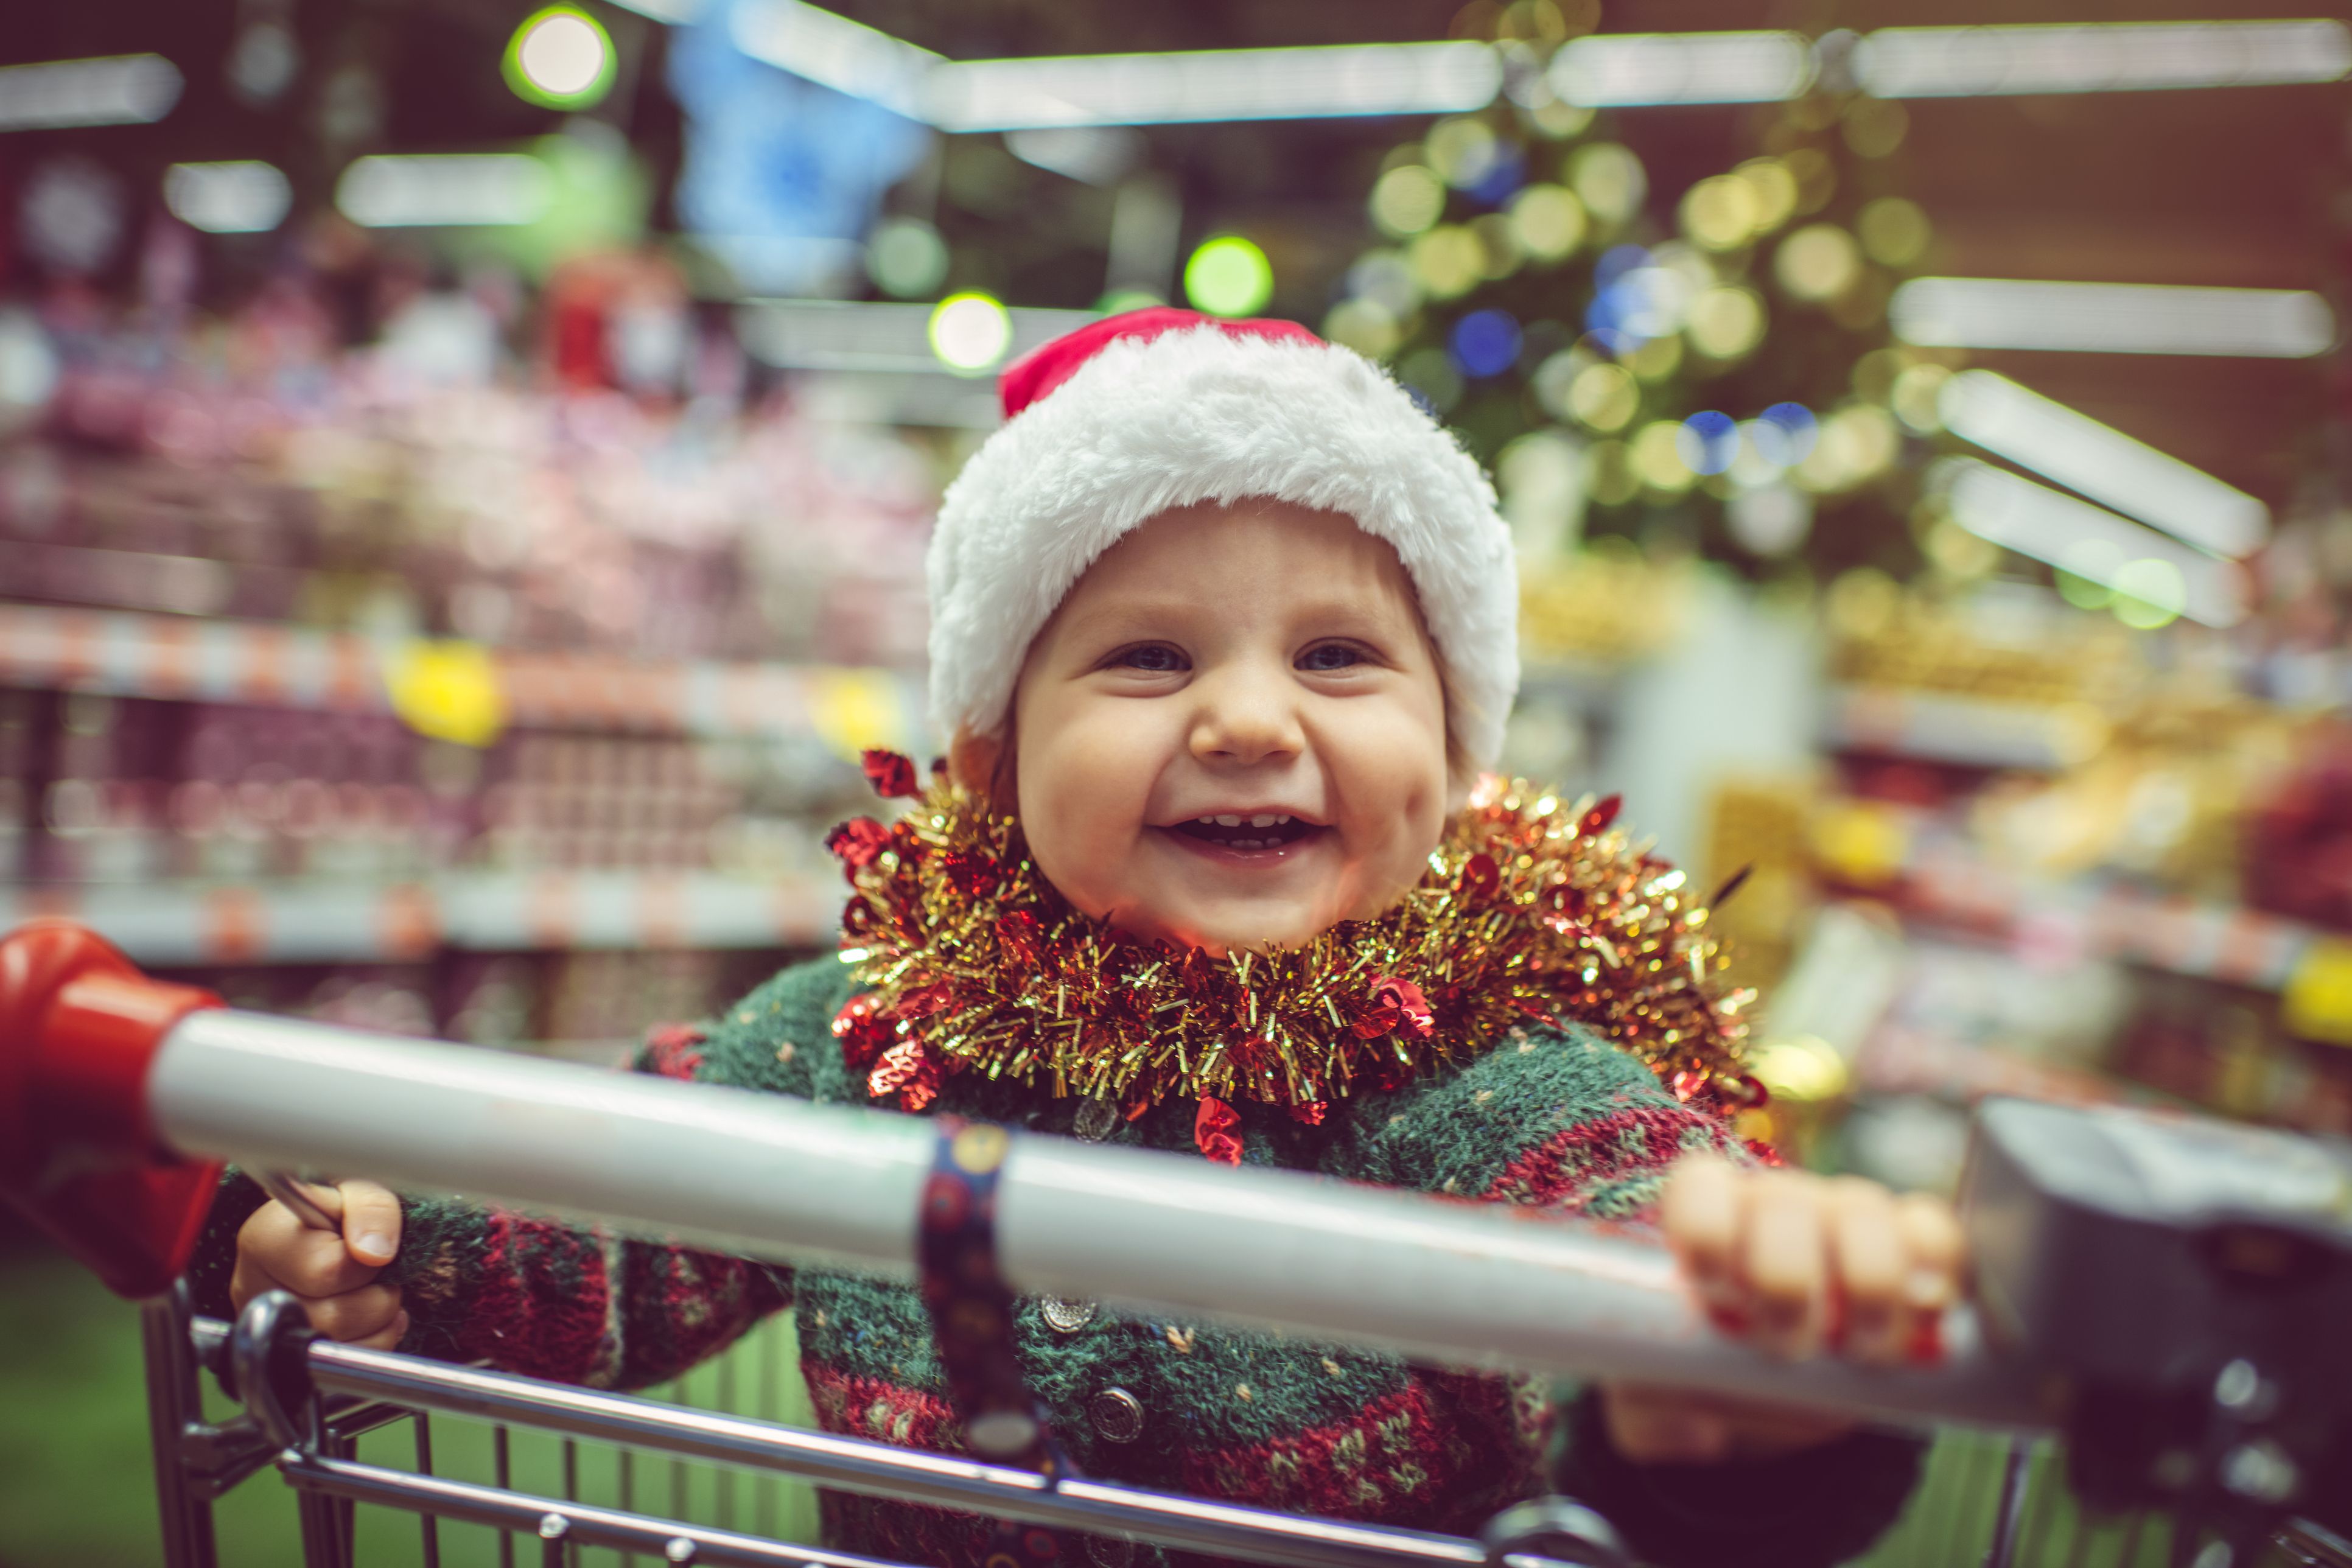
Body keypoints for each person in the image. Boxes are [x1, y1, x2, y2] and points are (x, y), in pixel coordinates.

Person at [192, 309, 1961, 1568]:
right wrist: (371, 1238)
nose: (1253, 722)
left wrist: (1724, 1357)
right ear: (991, 764)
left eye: (1340, 657)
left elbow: (1626, 1238)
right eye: (1147, 659)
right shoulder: (855, 1042)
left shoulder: (1505, 1090)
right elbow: (621, 1215)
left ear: (1458, 756)